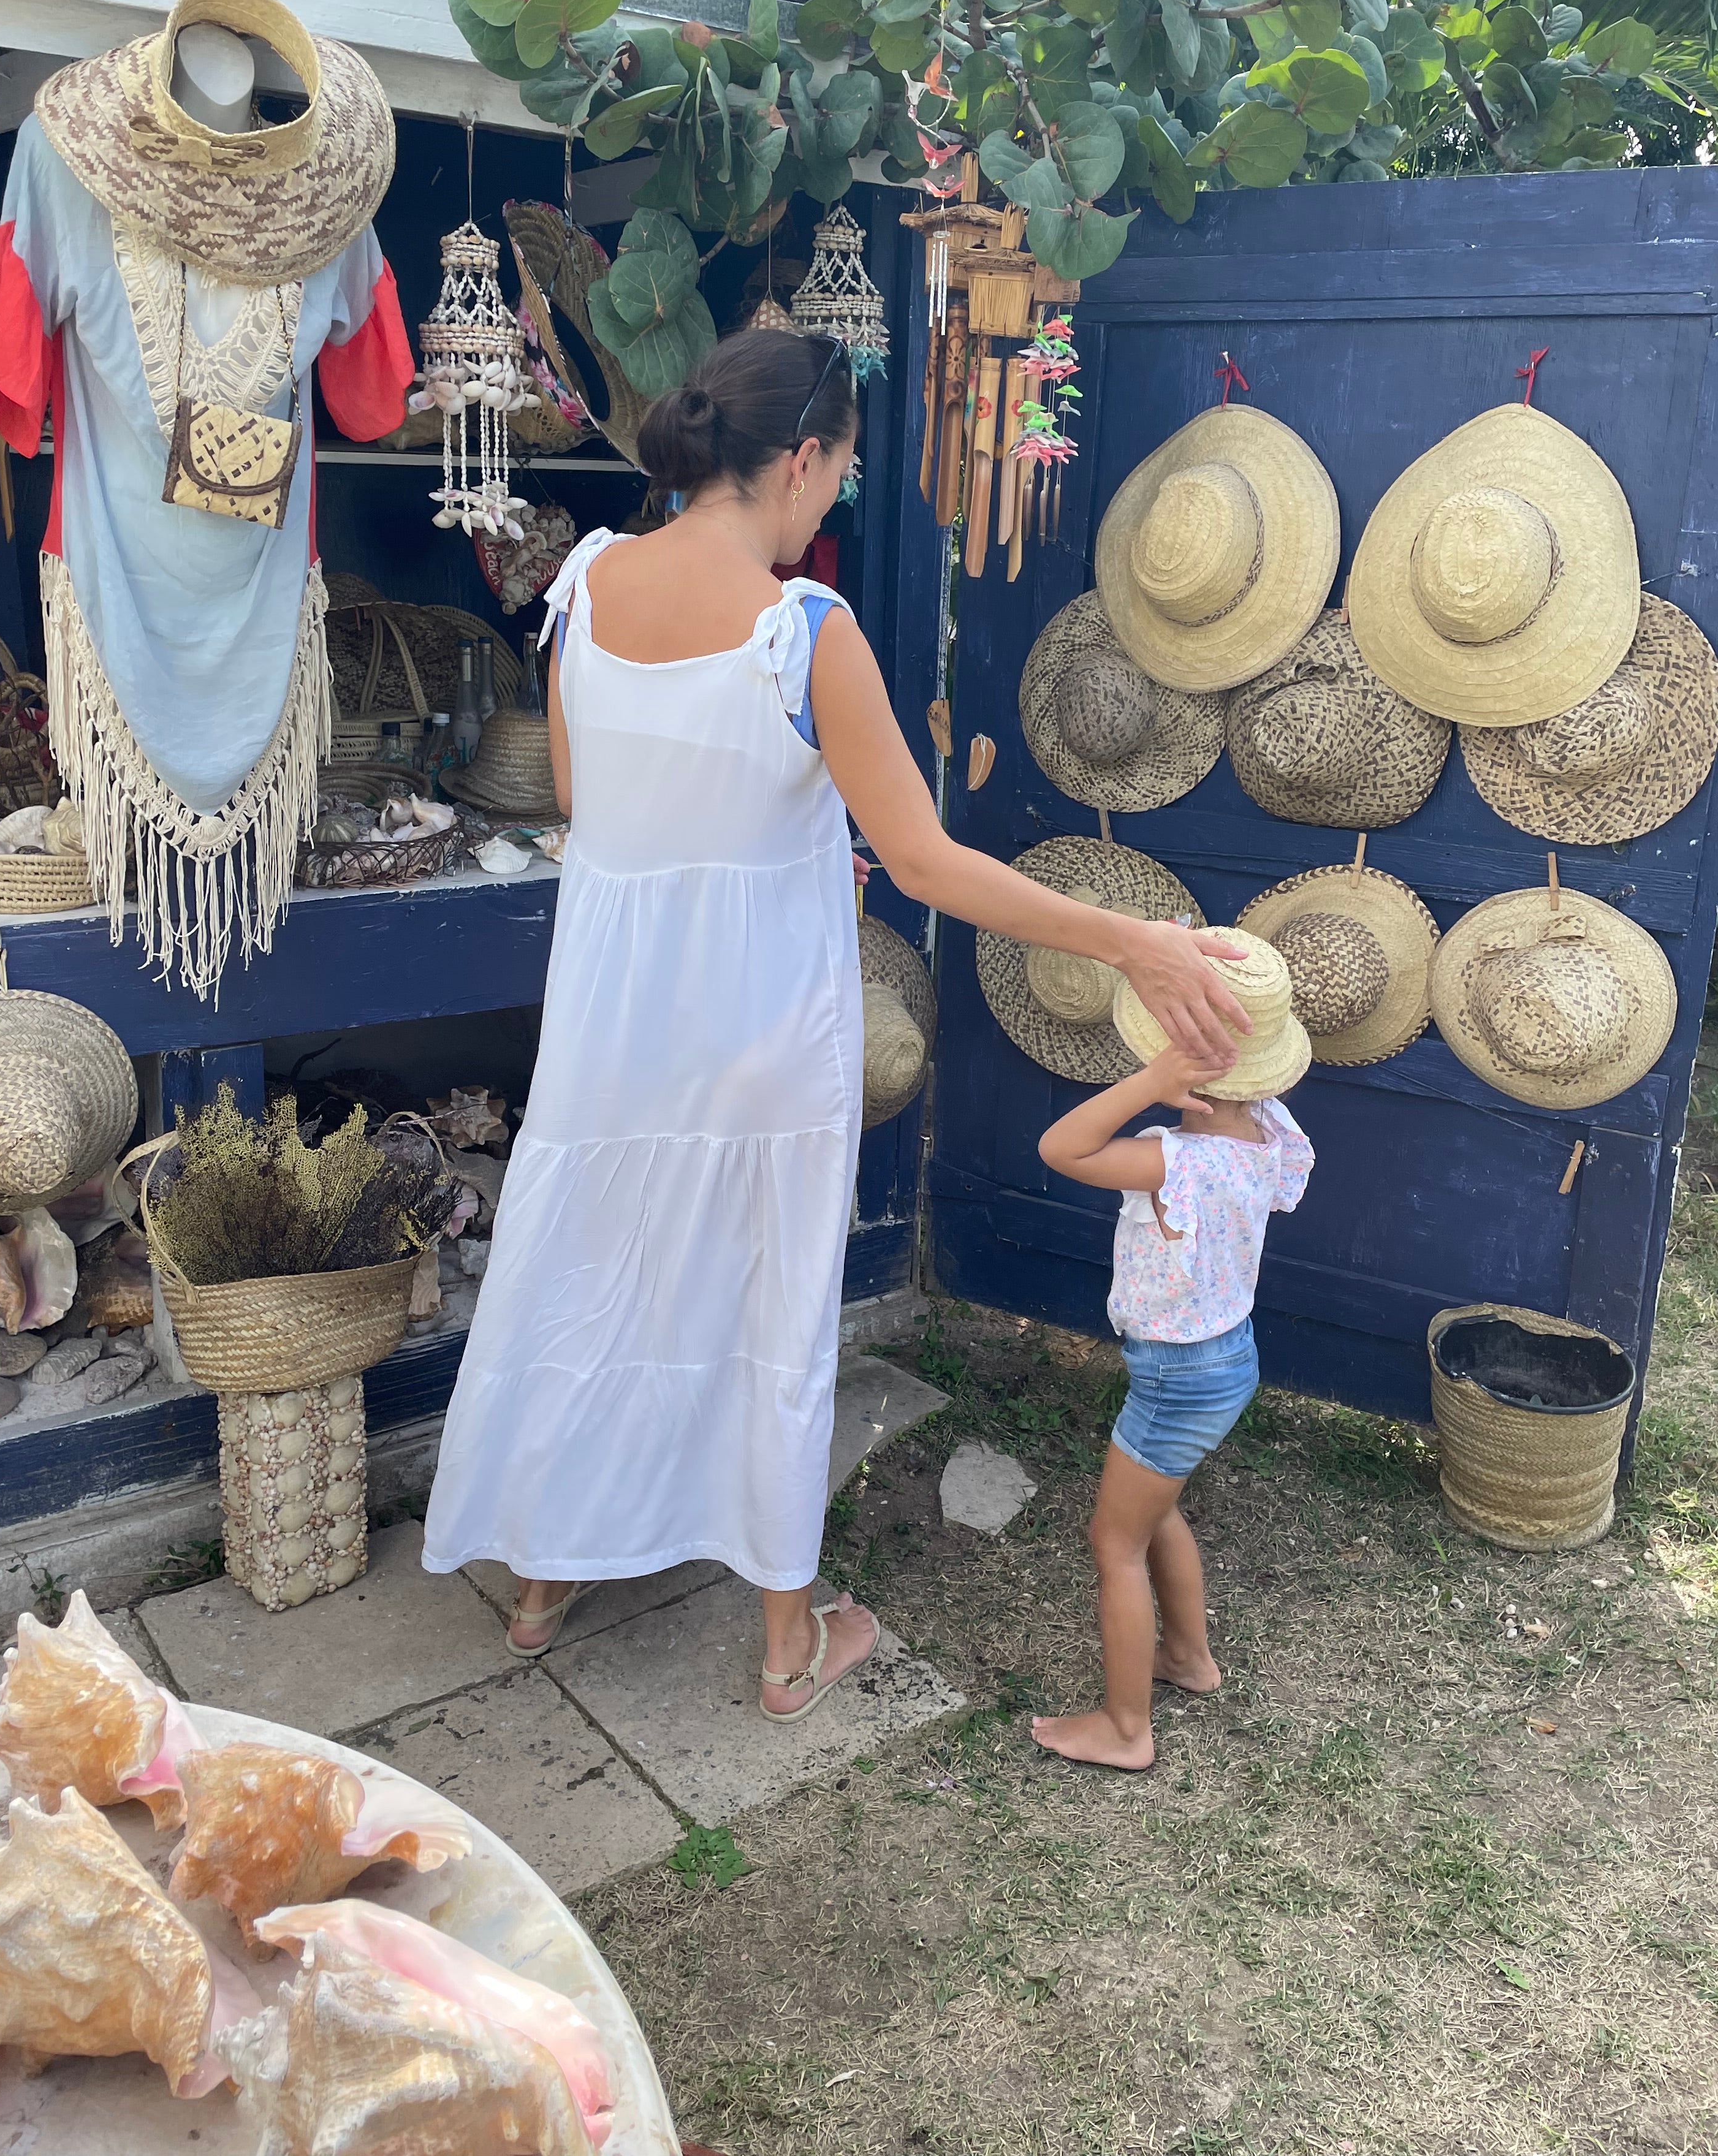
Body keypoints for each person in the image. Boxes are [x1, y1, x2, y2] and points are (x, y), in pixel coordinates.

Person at [423, 327, 1250, 1723]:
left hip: (616, 1020)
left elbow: (574, 797)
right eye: (841, 476)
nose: (831, 503)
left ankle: (541, 1583)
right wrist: (1134, 937)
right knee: (768, 1303)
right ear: (800, 459)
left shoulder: (586, 584)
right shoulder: (803, 630)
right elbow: (923, 863)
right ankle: (784, 1643)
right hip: (757, 1018)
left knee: (589, 1270)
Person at [1030, 1033, 1314, 1772]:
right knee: (1154, 1512)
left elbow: (1061, 1147)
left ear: (1191, 1077)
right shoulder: (1266, 1131)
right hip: (1227, 1357)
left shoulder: (1176, 1161)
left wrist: (1150, 1084)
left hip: (1177, 1379)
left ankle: (1127, 1730)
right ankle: (1187, 1657)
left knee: (1114, 1542)